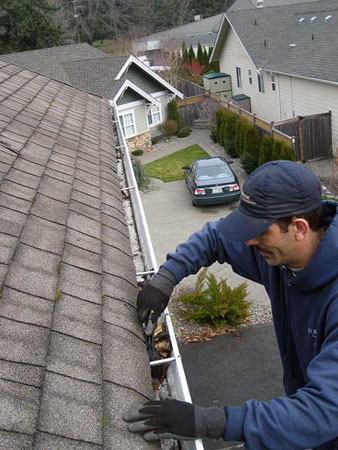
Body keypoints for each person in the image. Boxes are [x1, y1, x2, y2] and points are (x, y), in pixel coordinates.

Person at [123, 160, 338, 450]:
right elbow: (216, 237)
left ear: (298, 228)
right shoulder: (278, 255)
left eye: (260, 231)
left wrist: (209, 422)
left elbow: (323, 410)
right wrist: (167, 276)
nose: (249, 240)